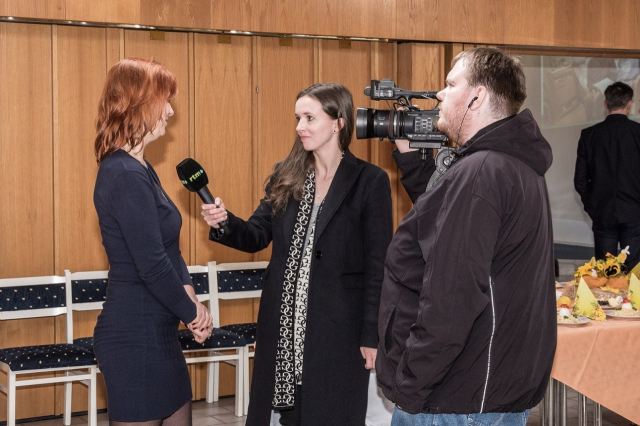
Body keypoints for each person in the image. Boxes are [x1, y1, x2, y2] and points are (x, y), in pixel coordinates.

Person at [376, 47, 557, 425]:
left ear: (478, 96)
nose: (439, 94)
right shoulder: (510, 165)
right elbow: (443, 227)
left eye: (450, 84)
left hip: (455, 401)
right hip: (487, 392)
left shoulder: (481, 172)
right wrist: (412, 159)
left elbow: (452, 297)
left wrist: (411, 384)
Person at [200, 82, 393, 426]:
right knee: (287, 417)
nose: (300, 127)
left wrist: (371, 335)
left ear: (338, 122)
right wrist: (225, 222)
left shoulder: (369, 181)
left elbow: (377, 267)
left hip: (339, 330)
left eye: (309, 118)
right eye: (297, 118)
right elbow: (257, 234)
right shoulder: (286, 174)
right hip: (283, 326)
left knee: (331, 414)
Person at [93, 58, 213, 426]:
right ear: (139, 103)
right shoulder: (122, 173)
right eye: (166, 101)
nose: (171, 112)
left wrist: (191, 297)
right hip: (133, 337)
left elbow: (169, 250)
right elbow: (151, 265)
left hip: (160, 334)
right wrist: (192, 314)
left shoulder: (142, 168)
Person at [574, 81, 640, 269]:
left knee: (605, 275)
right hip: (634, 214)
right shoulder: (638, 133)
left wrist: (593, 207)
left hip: (603, 214)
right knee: (633, 275)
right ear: (629, 104)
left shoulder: (589, 135)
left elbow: (580, 181)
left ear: (605, 104)